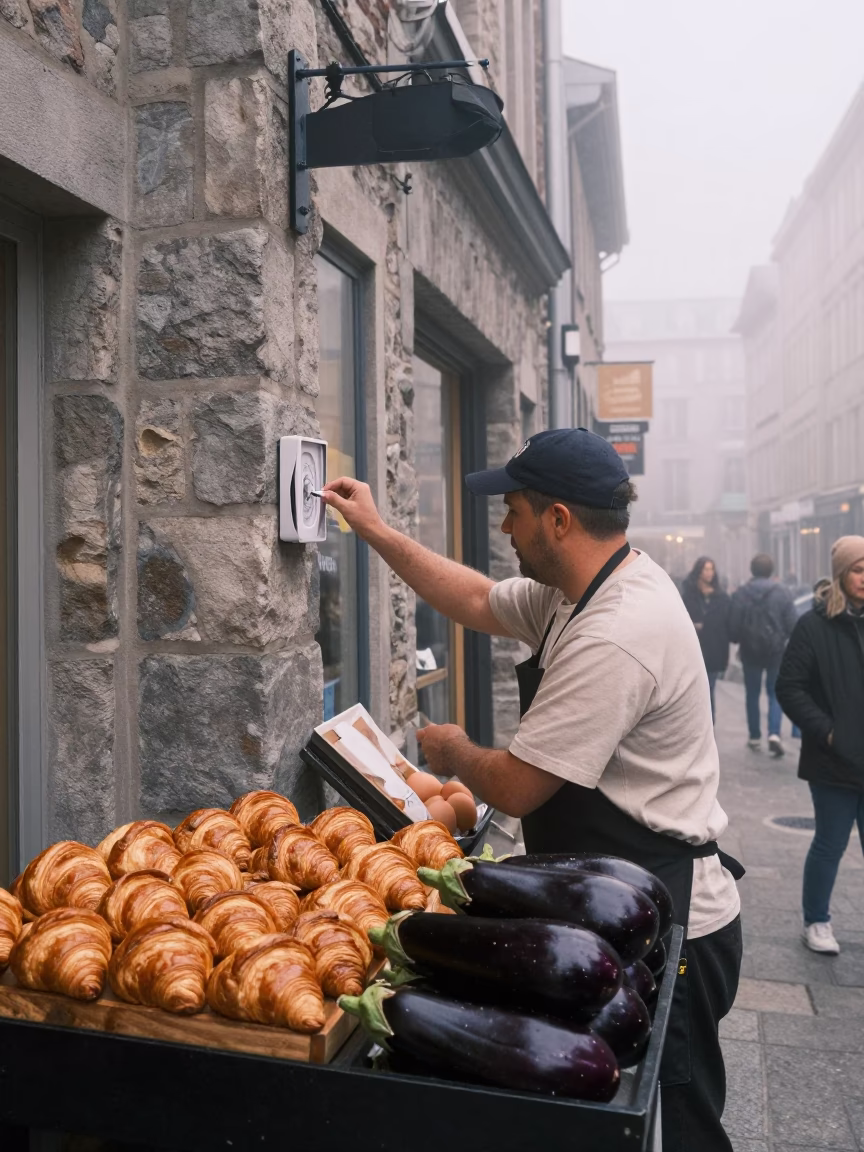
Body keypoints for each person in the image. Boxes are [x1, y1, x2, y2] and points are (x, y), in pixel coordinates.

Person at [321, 428, 743, 1152]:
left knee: (677, 1120)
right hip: (606, 901)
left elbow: (516, 786)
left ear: (559, 520)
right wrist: (376, 532)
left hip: (673, 924)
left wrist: (455, 750)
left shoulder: (618, 629)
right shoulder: (571, 591)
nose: (504, 527)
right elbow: (479, 599)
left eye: (512, 510)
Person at [776, 536, 864, 956]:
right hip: (834, 760)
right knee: (830, 843)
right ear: (841, 575)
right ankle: (817, 920)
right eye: (858, 569)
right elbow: (789, 688)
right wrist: (829, 733)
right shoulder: (814, 624)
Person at [728, 553, 797, 756]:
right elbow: (792, 623)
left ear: (752, 570)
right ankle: (774, 733)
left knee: (752, 693)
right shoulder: (782, 592)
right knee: (775, 692)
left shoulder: (742, 593)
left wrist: (737, 639)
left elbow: (733, 622)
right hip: (776, 650)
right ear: (771, 571)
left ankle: (754, 736)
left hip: (750, 649)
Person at [681, 557, 731, 723]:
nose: (709, 573)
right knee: (695, 691)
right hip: (693, 649)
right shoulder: (688, 593)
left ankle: (709, 725)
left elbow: (726, 623)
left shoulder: (721, 597)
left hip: (715, 648)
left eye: (712, 569)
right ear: (699, 571)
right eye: (706, 569)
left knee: (709, 688)